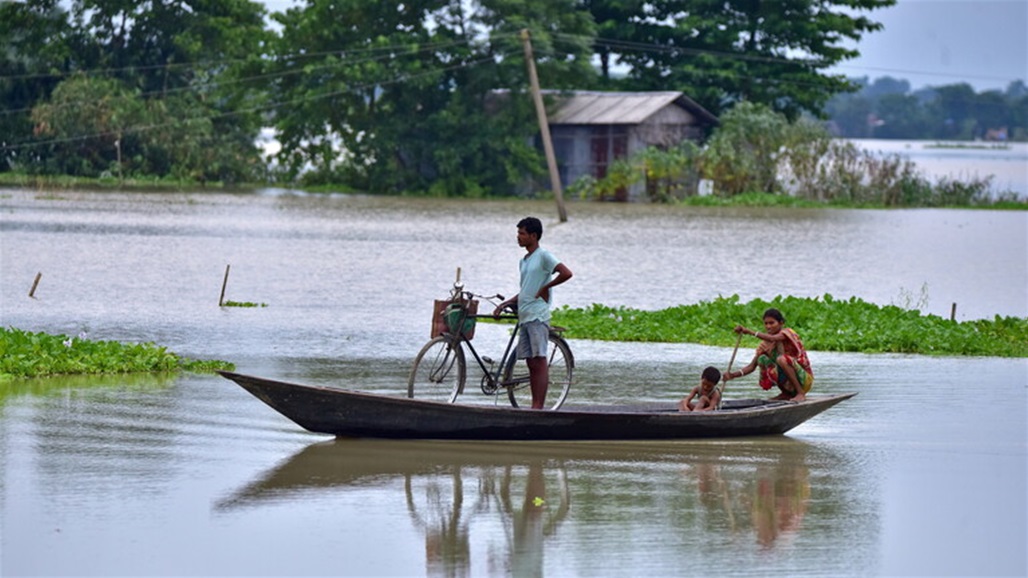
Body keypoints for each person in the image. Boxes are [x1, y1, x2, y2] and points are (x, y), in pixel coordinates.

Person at [494, 217, 573, 409]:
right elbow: (527, 289)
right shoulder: (524, 260)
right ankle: (534, 405)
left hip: (537, 315)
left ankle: (538, 407)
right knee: (531, 363)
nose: (518, 237)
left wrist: (547, 287)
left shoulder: (544, 256)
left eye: (522, 233)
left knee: (539, 360)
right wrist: (506, 303)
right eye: (518, 233)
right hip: (525, 315)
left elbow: (566, 273)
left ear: (533, 236)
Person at [723, 308, 813, 402]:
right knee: (762, 359)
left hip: (804, 380)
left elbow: (773, 338)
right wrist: (732, 375)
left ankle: (800, 393)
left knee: (782, 359)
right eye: (766, 323)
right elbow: (751, 367)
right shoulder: (765, 345)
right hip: (788, 386)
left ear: (781, 323)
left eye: (772, 323)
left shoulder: (787, 333)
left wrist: (750, 332)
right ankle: (786, 393)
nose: (768, 326)